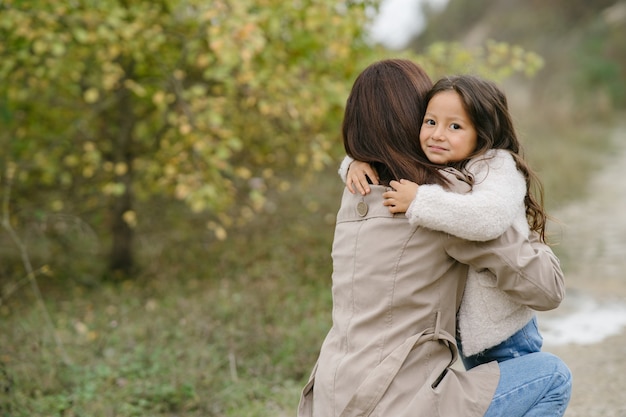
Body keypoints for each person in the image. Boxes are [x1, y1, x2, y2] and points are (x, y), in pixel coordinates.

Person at [298, 59, 571, 417]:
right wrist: (521, 224)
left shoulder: (354, 191)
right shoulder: (439, 202)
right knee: (553, 376)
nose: (437, 132)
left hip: (329, 398)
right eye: (429, 119)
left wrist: (352, 160)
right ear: (413, 119)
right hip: (396, 405)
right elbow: (547, 289)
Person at [342, 74, 546, 369]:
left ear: (482, 133)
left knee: (530, 393)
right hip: (473, 330)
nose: (438, 134)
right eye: (430, 122)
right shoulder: (449, 163)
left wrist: (419, 202)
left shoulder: (498, 166)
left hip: (506, 332)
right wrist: (354, 163)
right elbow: (386, 164)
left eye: (455, 126)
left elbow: (486, 219)